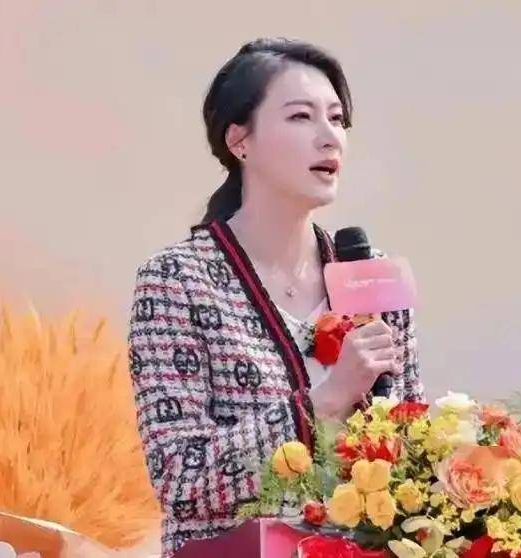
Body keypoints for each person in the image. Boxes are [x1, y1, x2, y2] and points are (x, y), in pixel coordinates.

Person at [127, 37, 425, 556]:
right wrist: (325, 401)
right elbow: (180, 480)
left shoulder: (371, 277)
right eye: (301, 117)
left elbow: (413, 454)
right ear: (239, 140)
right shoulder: (176, 281)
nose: (329, 137)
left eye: (337, 119)